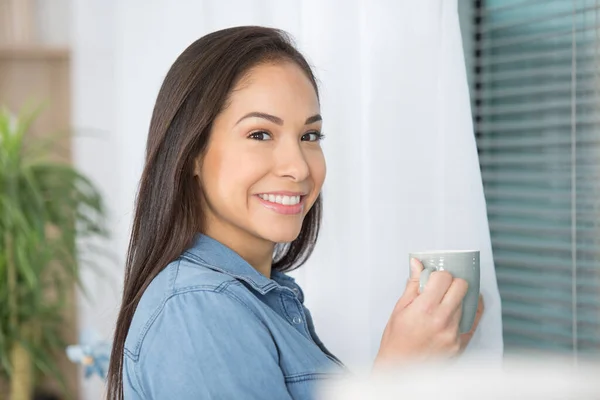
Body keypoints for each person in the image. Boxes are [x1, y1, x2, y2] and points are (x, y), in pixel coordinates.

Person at [106, 26, 484, 400]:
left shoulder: (261, 300)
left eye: (309, 136)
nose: (299, 168)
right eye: (260, 134)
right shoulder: (197, 308)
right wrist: (395, 374)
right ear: (191, 153)